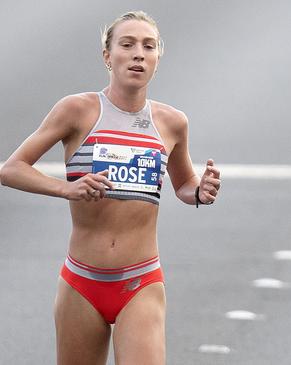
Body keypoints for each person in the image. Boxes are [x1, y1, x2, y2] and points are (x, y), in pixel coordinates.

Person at [0, 11, 220, 364]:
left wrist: (199, 191)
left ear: (157, 59)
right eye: (128, 44)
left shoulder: (172, 122)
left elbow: (184, 184)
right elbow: (11, 170)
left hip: (141, 281)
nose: (138, 54)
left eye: (148, 46)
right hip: (81, 282)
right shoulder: (77, 110)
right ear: (108, 56)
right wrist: (66, 189)